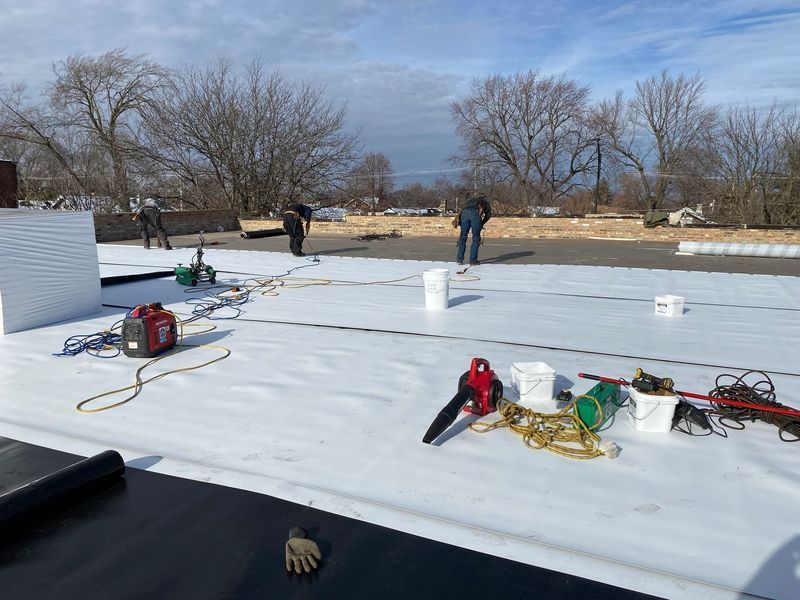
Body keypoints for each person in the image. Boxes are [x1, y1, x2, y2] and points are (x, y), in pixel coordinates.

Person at [455, 194, 491, 265]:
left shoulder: (470, 200)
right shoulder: (485, 202)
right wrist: (482, 223)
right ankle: (473, 260)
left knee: (463, 237)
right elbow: (488, 215)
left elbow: (462, 210)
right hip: (475, 213)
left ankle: (459, 260)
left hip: (464, 213)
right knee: (476, 238)